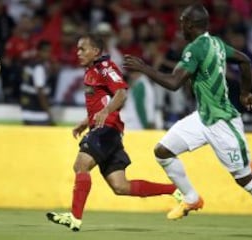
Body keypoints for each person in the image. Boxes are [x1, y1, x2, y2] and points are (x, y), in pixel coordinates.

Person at [124, 4, 252, 240]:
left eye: (183, 21)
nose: (180, 25)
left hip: (223, 122)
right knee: (163, 151)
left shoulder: (195, 48)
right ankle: (191, 198)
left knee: (244, 178)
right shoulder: (215, 43)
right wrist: (245, 93)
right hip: (203, 117)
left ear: (191, 25)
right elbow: (245, 60)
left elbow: (174, 83)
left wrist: (144, 68)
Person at [46, 33, 180, 231]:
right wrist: (86, 122)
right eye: (77, 48)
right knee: (120, 186)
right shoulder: (91, 70)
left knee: (81, 165)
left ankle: (74, 218)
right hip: (107, 130)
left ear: (96, 51)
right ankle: (175, 190)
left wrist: (106, 112)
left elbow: (121, 93)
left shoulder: (105, 68)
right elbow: (101, 101)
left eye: (83, 49)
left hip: (106, 129)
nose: (78, 52)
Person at [20, 40, 55, 126]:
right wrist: (48, 112)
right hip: (37, 114)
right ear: (39, 52)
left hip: (27, 112)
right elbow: (40, 92)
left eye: (49, 51)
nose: (48, 54)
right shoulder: (39, 68)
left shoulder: (31, 65)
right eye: (45, 51)